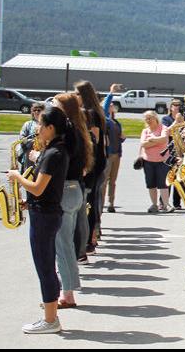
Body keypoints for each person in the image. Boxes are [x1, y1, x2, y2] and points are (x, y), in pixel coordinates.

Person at [8, 106, 71, 334]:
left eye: (41, 125)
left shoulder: (54, 153)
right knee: (46, 266)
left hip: (45, 216)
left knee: (45, 267)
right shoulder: (55, 150)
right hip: (44, 211)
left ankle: (50, 320)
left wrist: (16, 176)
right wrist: (28, 203)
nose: (38, 128)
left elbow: (37, 187)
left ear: (51, 128)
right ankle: (50, 314)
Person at [49, 94, 91, 305]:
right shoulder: (79, 130)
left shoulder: (67, 132)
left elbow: (60, 162)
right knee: (66, 244)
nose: (52, 108)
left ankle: (67, 294)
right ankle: (69, 290)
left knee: (62, 246)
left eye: (55, 105)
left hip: (65, 190)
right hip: (75, 189)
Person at [75, 81, 108, 256]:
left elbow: (94, 140)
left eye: (77, 94)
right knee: (91, 200)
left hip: (92, 162)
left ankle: (89, 240)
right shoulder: (96, 112)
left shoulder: (90, 113)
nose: (75, 97)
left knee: (88, 201)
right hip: (97, 161)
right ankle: (90, 238)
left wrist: (88, 163)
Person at [139, 111, 172, 213]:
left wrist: (151, 140)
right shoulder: (145, 131)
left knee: (163, 184)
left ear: (155, 118)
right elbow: (143, 144)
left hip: (162, 161)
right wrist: (156, 141)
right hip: (148, 161)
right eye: (146, 119)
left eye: (150, 118)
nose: (148, 120)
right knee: (151, 184)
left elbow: (164, 140)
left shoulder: (163, 128)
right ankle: (154, 204)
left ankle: (166, 205)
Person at [101, 95, 125, 213]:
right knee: (104, 180)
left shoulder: (115, 121)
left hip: (117, 153)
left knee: (113, 181)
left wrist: (122, 137)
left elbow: (119, 137)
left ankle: (111, 203)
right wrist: (110, 94)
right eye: (110, 104)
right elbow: (104, 108)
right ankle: (101, 202)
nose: (112, 106)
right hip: (108, 154)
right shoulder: (104, 119)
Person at [161, 98, 184, 210]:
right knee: (168, 177)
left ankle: (177, 203)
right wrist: (176, 122)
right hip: (169, 151)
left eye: (179, 105)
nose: (177, 107)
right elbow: (166, 132)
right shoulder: (166, 119)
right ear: (170, 107)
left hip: (180, 150)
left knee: (179, 178)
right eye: (175, 105)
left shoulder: (184, 118)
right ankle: (163, 202)